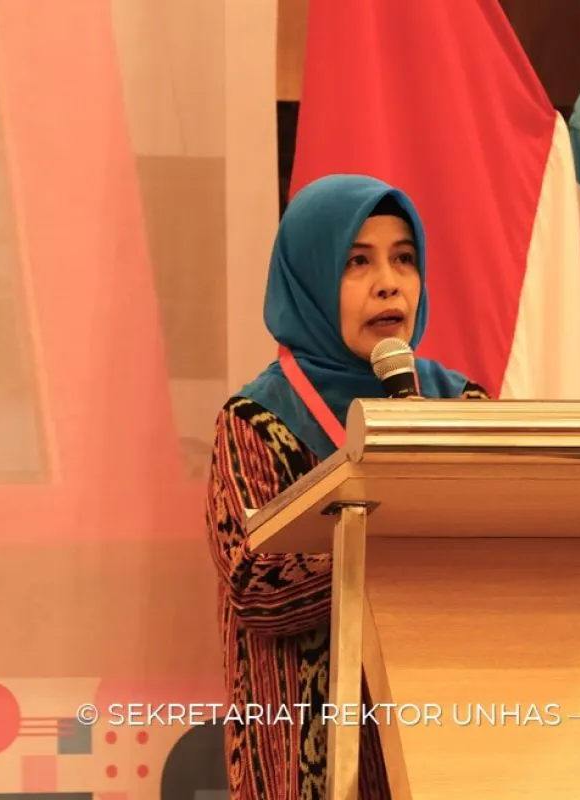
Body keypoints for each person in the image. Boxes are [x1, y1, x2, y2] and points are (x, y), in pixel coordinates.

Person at [205, 173, 488, 799]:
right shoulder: (259, 420)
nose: (389, 282)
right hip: (312, 755)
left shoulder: (462, 406)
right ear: (308, 278)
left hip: (448, 737)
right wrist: (402, 536)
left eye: (404, 259)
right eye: (357, 262)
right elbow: (256, 590)